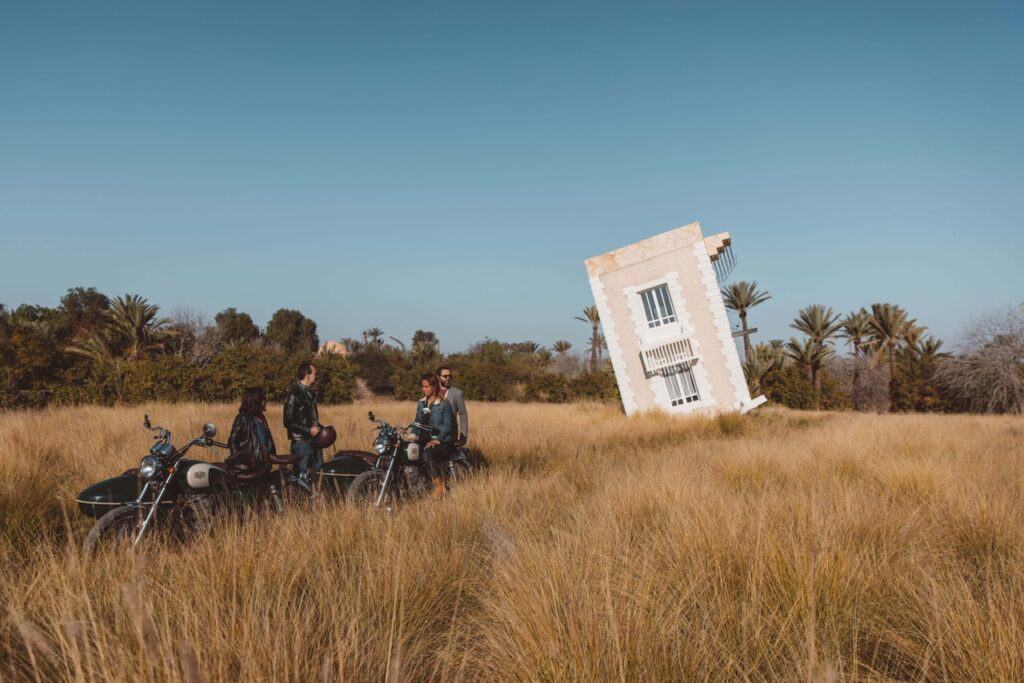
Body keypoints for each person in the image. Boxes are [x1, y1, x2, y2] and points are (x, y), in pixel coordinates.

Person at [413, 372, 455, 498]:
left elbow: (447, 426)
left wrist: (436, 440)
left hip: (441, 441)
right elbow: (417, 422)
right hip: (423, 439)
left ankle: (439, 486)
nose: (423, 389)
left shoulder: (444, 404)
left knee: (426, 454)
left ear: (434, 386)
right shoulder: (421, 403)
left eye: (426, 386)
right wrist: (412, 436)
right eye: (423, 386)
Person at [284, 362, 323, 483]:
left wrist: (321, 428)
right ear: (307, 375)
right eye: (315, 374)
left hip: (314, 440)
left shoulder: (310, 393)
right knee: (302, 474)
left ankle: (315, 497)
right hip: (301, 441)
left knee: (318, 471)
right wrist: (308, 430)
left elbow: (311, 418)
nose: (316, 376)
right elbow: (288, 421)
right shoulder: (293, 394)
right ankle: (300, 499)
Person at [228, 387, 277, 468]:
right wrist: (240, 460)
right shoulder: (243, 418)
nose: (265, 401)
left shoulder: (261, 416)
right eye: (262, 399)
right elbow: (233, 440)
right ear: (255, 401)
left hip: (264, 461)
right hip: (251, 462)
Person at [436, 365, 468, 446]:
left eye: (450, 376)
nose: (448, 378)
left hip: (450, 437)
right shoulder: (433, 392)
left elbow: (463, 414)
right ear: (438, 377)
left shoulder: (457, 393)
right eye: (445, 376)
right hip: (433, 436)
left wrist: (463, 437)